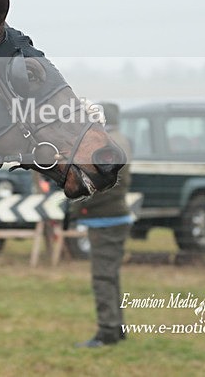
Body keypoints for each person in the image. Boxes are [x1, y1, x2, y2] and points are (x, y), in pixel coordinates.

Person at [73, 101, 133, 348]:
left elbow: (104, 185)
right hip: (115, 216)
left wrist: (76, 204)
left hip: (105, 218)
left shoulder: (107, 144)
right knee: (111, 276)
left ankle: (107, 332)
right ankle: (117, 328)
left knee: (102, 278)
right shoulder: (121, 139)